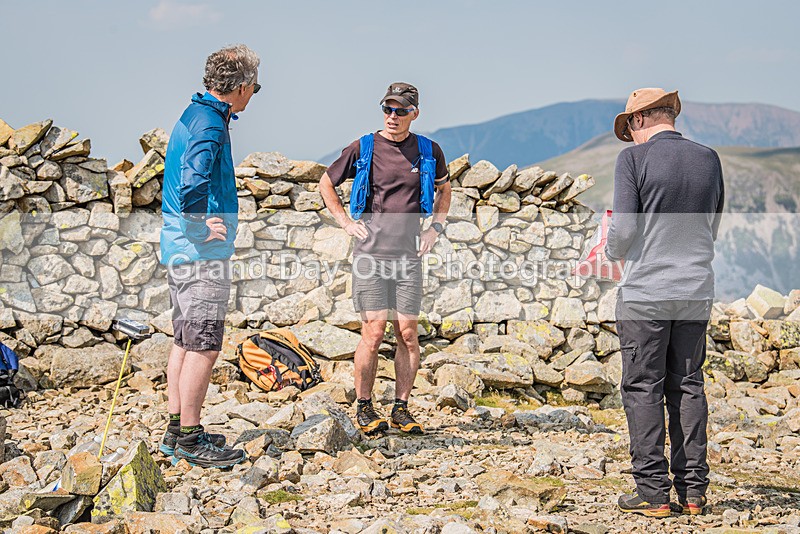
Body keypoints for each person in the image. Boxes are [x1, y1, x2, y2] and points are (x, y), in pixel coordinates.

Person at [606, 88, 724, 516]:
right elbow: (713, 224)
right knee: (688, 384)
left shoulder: (633, 160)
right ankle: (693, 492)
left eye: (630, 128)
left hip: (646, 293)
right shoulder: (709, 158)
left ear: (639, 119)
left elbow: (623, 231)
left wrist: (611, 250)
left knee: (643, 387)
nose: (631, 137)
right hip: (695, 289)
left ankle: (652, 493)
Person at [319, 83, 452, 435]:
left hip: (408, 257)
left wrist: (435, 228)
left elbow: (445, 189)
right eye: (387, 109)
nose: (392, 116)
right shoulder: (363, 147)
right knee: (374, 331)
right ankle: (364, 407)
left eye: (400, 111)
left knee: (408, 334)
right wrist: (345, 223)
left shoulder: (429, 151)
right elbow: (325, 183)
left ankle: (401, 409)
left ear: (414, 113)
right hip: (370, 256)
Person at [159, 44, 261, 468]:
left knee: (184, 341)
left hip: (179, 249)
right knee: (203, 344)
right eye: (256, 86)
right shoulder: (210, 123)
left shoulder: (195, 113)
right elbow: (193, 178)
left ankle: (175, 429)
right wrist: (200, 228)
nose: (254, 93)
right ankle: (190, 437)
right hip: (201, 252)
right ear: (241, 86)